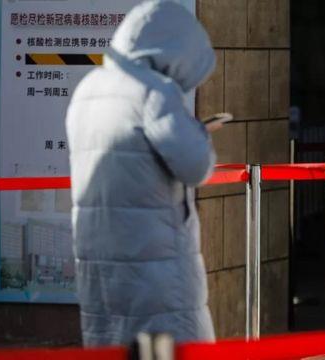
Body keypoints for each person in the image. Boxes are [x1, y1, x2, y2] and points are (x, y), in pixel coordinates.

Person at [66, 0, 217, 346]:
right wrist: (199, 132)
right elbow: (195, 167)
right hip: (154, 265)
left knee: (111, 347)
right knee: (167, 348)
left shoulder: (87, 89)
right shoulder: (153, 92)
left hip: (99, 262)